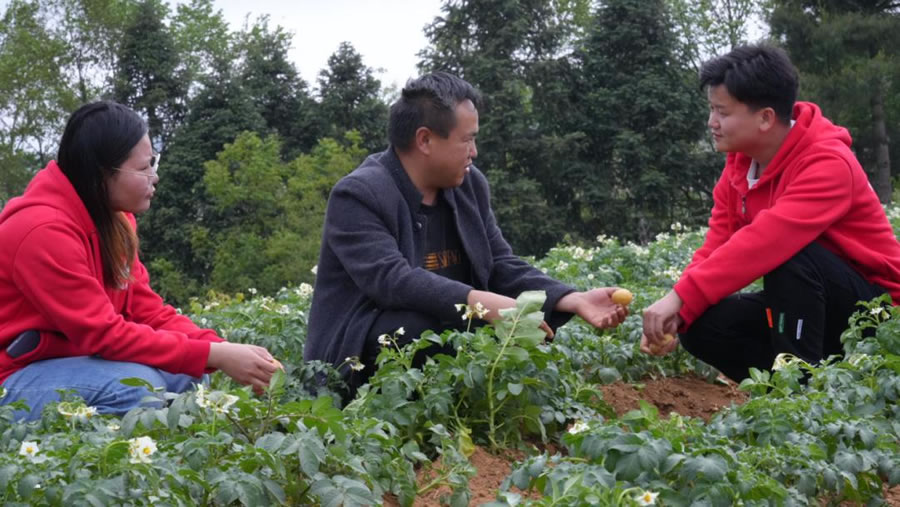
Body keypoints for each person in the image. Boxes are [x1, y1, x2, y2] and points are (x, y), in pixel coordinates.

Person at [305, 72, 628, 396]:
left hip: (450, 329)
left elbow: (498, 262)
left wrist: (570, 298)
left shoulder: (469, 186)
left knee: (484, 329)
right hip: (356, 361)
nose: (474, 151)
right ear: (425, 140)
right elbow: (393, 280)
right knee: (417, 330)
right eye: (467, 139)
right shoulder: (359, 194)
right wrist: (484, 305)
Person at [0, 101, 279, 421]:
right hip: (13, 376)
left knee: (187, 376)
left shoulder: (116, 221)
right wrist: (214, 353)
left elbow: (148, 312)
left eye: (153, 163)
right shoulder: (41, 232)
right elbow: (104, 335)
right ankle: (113, 465)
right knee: (138, 390)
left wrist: (219, 348)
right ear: (103, 173)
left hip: (71, 361)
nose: (154, 176)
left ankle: (168, 459)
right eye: (144, 167)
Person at [640, 45, 900, 381]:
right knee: (702, 324)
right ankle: (789, 390)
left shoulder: (828, 163)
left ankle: (802, 397)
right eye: (711, 109)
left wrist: (677, 297)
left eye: (722, 112)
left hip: (877, 314)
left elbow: (766, 241)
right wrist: (680, 312)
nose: (712, 122)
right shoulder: (740, 167)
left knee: (789, 257)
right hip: (812, 306)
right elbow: (717, 245)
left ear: (765, 117)